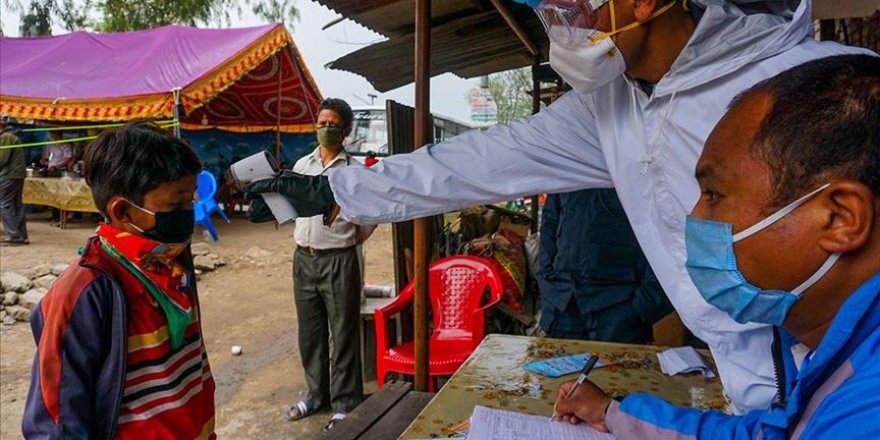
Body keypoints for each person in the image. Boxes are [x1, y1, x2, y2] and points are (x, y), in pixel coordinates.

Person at [243, 0, 875, 413]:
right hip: (750, 398)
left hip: (846, 376)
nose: (558, 25)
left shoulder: (820, 88)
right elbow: (478, 162)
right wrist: (338, 188)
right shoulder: (615, 108)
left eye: (569, 5)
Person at [553, 54, 880, 439]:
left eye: (713, 193)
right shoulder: (833, 359)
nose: (695, 216)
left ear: (841, 219)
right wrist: (612, 414)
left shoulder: (865, 415)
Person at [22, 122, 216, 439]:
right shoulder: (84, 291)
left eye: (190, 201)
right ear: (123, 211)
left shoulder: (174, 257)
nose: (188, 213)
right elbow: (56, 422)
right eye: (176, 205)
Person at [246, 98, 376, 430]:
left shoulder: (354, 172)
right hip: (303, 258)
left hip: (339, 260)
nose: (325, 129)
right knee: (310, 332)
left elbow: (369, 219)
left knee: (343, 333)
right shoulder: (302, 166)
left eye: (332, 125)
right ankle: (317, 395)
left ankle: (346, 402)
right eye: (321, 123)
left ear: (345, 131)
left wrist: (347, 241)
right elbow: (286, 208)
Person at [537, 188, 671, 343]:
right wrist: (545, 278)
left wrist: (643, 307)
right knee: (560, 364)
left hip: (619, 308)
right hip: (563, 301)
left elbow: (668, 238)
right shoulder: (571, 168)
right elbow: (550, 220)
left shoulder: (643, 169)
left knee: (618, 366)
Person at [0, 116, 28, 245]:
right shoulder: (10, 136)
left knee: (3, 204)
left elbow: (2, 160)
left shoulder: (6, 137)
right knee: (16, 205)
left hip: (9, 174)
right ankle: (21, 235)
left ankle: (13, 235)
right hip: (16, 174)